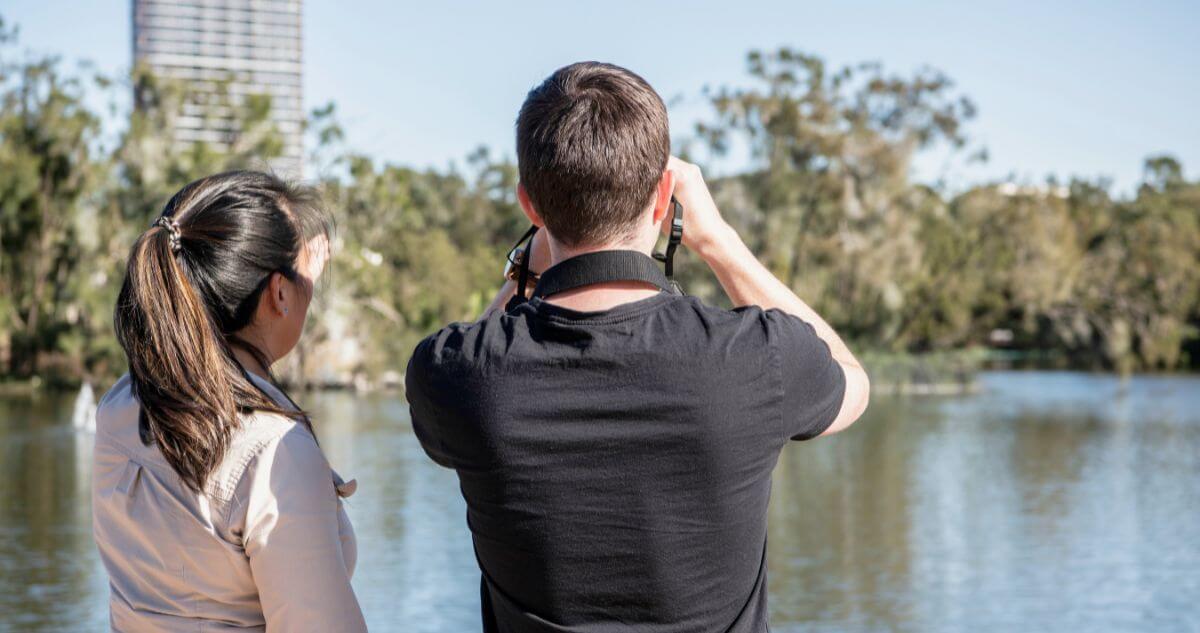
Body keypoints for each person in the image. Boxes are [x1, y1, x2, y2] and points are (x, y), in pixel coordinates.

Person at [405, 62, 871, 632]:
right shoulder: (756, 357)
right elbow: (853, 380)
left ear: (530, 205)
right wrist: (717, 239)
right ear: (664, 198)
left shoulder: (455, 373)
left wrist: (520, 272)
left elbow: (472, 357)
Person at [92, 171, 367, 632]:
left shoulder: (122, 407)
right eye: (303, 280)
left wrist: (291, 281)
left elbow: (223, 371)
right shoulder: (275, 456)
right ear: (277, 293)